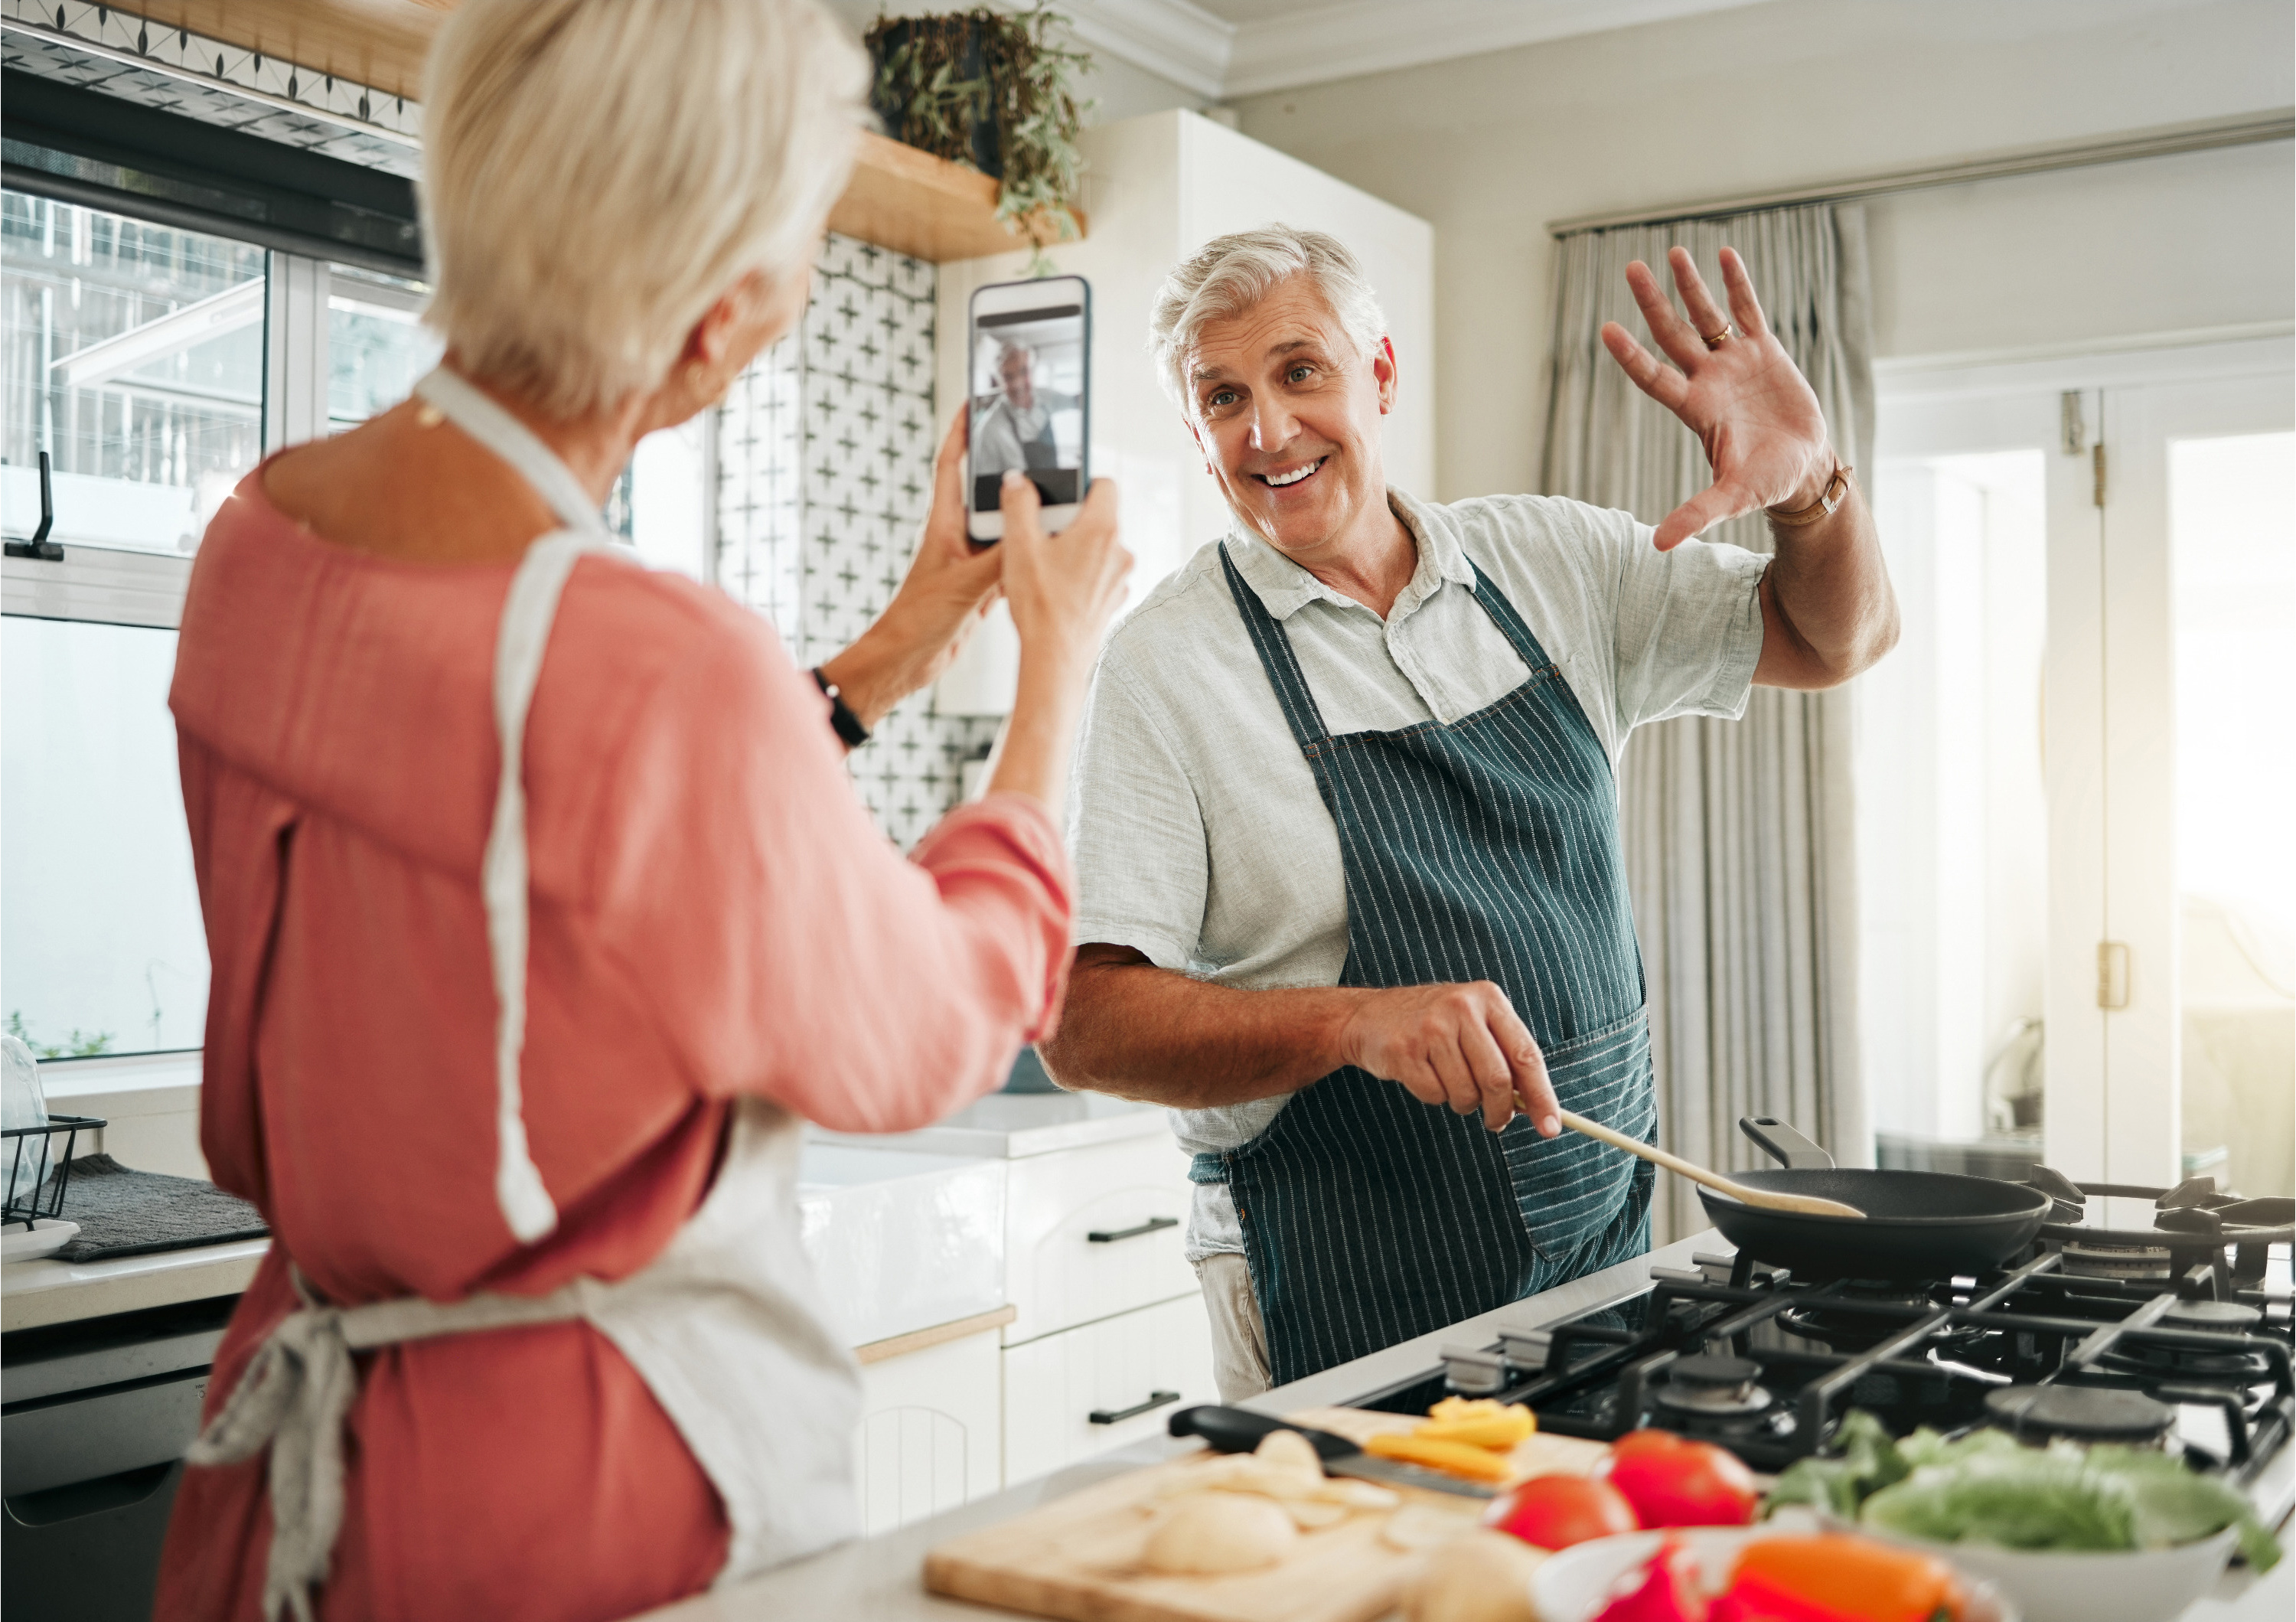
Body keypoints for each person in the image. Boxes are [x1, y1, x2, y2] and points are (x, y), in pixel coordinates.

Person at [153, 2, 1130, 1618]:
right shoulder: (667, 668)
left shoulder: (250, 541)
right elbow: (936, 1022)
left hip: (294, 1480)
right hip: (576, 1505)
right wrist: (1053, 671)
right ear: (712, 322)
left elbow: (554, 812)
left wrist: (898, 641)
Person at [1039, 225, 1895, 1402]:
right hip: (1341, 1269)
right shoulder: (1167, 667)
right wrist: (1351, 1022)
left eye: (1300, 371)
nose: (1267, 431)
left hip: (1597, 1255)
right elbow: (1081, 1021)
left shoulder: (1549, 561)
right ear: (1197, 435)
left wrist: (1813, 494)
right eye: (1222, 396)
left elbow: (1834, 637)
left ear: (1380, 372)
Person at [970, 340, 1081, 486]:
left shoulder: (1046, 397)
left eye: (1023, 371)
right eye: (1008, 377)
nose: (1018, 383)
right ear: (999, 380)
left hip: (1053, 491)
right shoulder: (990, 429)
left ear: (1033, 371)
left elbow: (1077, 401)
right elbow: (983, 487)